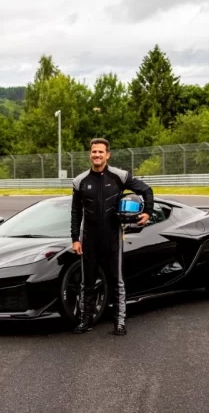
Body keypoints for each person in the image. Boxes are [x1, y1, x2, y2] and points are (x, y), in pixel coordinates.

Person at [70, 137, 154, 335]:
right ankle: (86, 320)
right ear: (90, 154)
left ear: (107, 155)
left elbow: (146, 190)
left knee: (117, 281)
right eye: (94, 151)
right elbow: (76, 212)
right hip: (89, 239)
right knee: (87, 282)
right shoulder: (80, 181)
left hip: (112, 237)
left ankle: (120, 322)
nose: (97, 155)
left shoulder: (119, 176)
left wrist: (148, 212)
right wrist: (75, 239)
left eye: (101, 152)